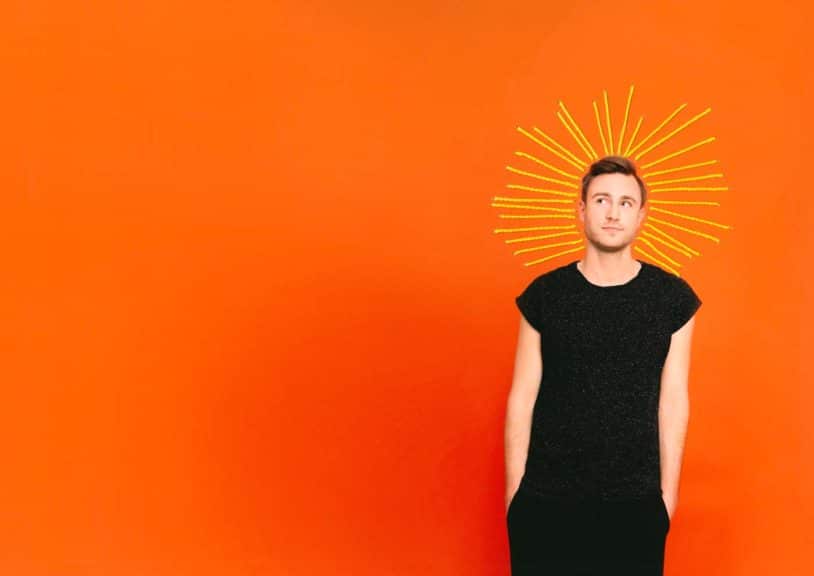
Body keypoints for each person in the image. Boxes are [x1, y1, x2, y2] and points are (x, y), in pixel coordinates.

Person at [504, 156, 702, 575]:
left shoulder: (672, 300)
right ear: (581, 209)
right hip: (545, 502)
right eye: (602, 199)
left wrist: (668, 495)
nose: (613, 212)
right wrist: (514, 495)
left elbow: (673, 402)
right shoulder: (544, 296)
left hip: (634, 504)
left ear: (642, 215)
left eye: (626, 203)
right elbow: (522, 395)